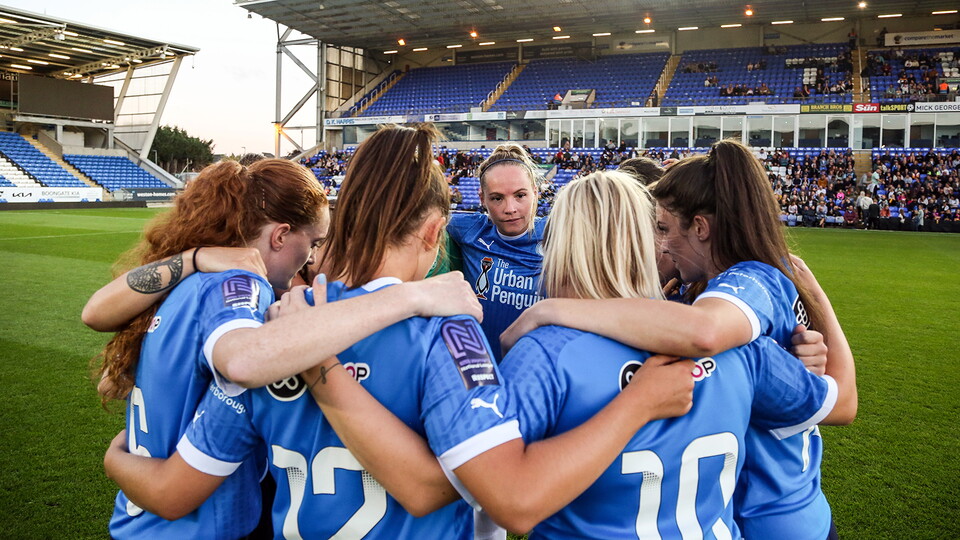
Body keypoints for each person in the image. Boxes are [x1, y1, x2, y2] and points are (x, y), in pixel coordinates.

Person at [101, 125, 696, 539]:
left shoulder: (281, 324)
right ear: (437, 231)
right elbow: (465, 490)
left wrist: (121, 461)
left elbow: (187, 476)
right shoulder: (448, 337)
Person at [277, 171, 853, 537]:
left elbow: (497, 493)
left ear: (564, 242)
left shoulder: (544, 354)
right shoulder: (744, 350)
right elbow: (839, 403)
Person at [88, 157, 483, 539]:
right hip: (203, 524)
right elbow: (243, 359)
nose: (312, 258)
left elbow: (98, 331)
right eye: (313, 242)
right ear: (280, 235)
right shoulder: (243, 289)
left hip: (137, 517)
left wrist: (191, 258)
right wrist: (408, 297)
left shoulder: (182, 285)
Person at [502, 139, 857, 540]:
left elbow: (498, 493)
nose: (664, 245)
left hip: (775, 517)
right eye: (655, 230)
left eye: (666, 229)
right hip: (757, 516)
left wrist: (550, 311)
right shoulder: (738, 341)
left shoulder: (549, 352)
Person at [445, 143, 546, 360]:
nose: (510, 208)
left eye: (520, 195)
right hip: (481, 369)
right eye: (497, 198)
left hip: (535, 372)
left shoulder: (559, 233)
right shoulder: (469, 230)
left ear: (535, 193)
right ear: (482, 199)